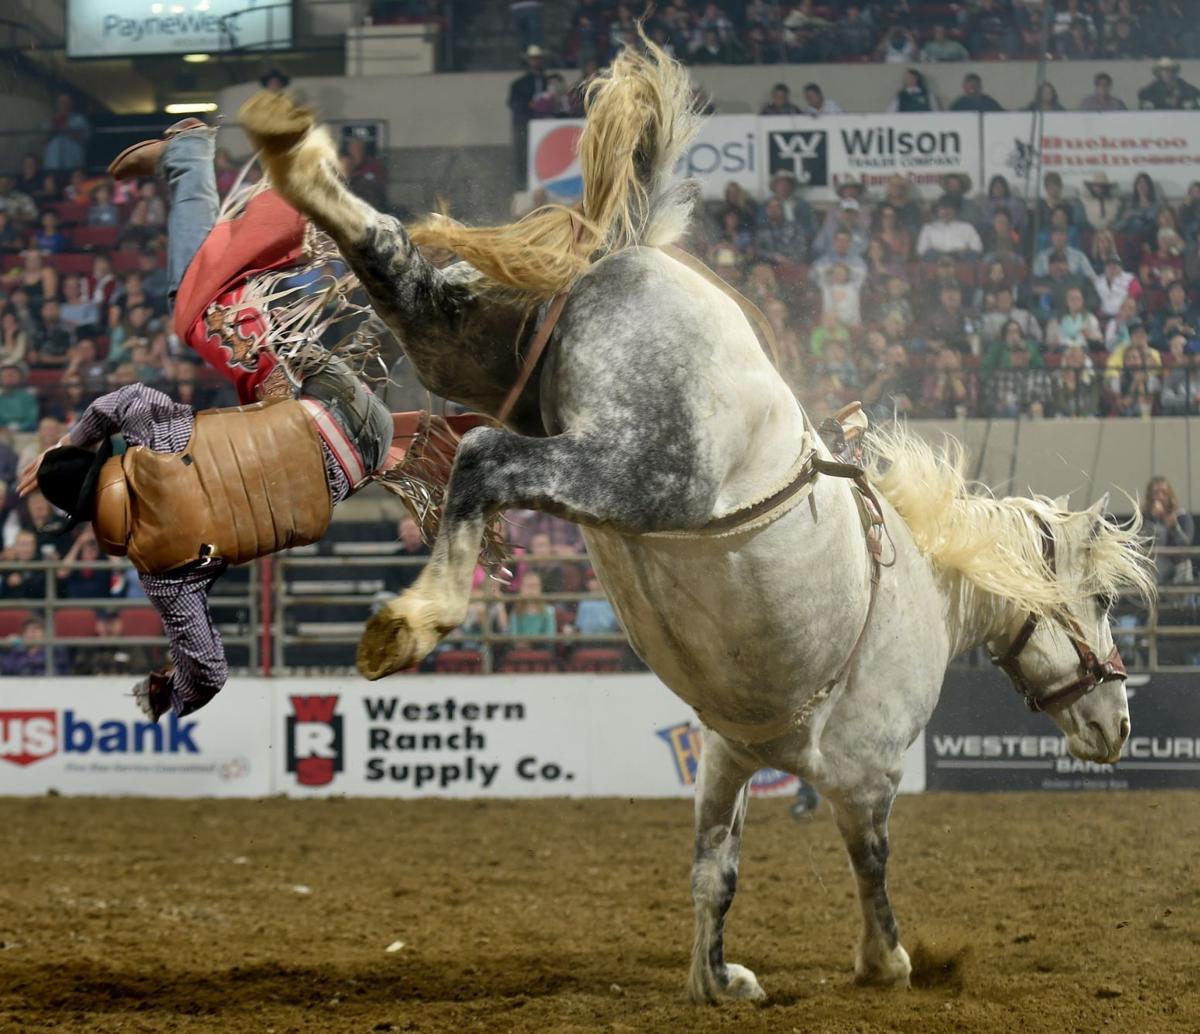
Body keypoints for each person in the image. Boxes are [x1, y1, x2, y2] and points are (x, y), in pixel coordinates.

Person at [16, 120, 397, 722]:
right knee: (197, 309)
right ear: (97, 464)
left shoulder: (165, 577)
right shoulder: (152, 441)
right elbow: (123, 399)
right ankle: (199, 161)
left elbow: (211, 670)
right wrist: (70, 440)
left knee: (196, 296)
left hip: (366, 453)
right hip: (321, 398)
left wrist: (175, 689)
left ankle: (194, 167)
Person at [508, 46, 548, 185]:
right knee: (523, 155)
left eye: (537, 59)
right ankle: (523, 184)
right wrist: (529, 105)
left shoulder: (547, 81)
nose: (535, 62)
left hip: (543, 124)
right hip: (525, 124)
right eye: (533, 59)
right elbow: (513, 103)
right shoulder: (519, 84)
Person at [916, 197, 982, 262]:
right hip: (937, 261)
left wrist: (965, 250)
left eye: (949, 208)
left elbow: (977, 247)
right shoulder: (928, 228)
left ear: (955, 210)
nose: (946, 211)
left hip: (960, 259)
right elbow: (921, 250)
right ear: (937, 211)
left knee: (971, 255)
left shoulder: (967, 227)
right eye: (942, 208)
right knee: (930, 255)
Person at [43, 93, 91, 172]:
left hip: (73, 166)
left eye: (66, 102)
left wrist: (67, 129)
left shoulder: (80, 120)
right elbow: (42, 141)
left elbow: (86, 139)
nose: (63, 105)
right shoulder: (50, 120)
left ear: (71, 104)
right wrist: (52, 130)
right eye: (61, 102)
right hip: (52, 165)